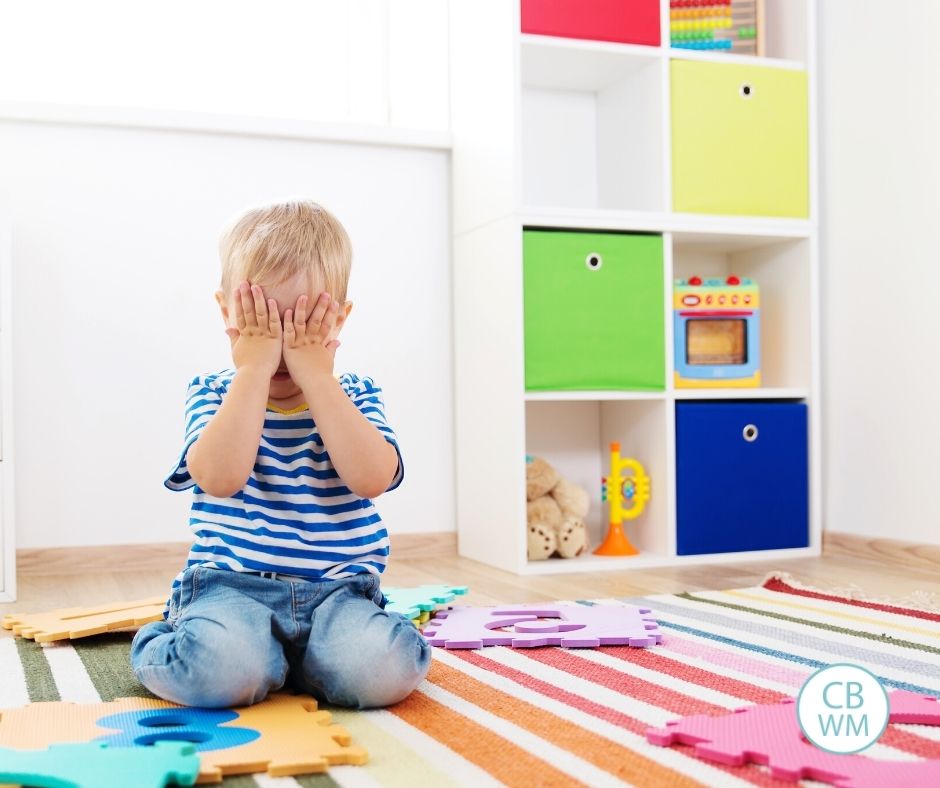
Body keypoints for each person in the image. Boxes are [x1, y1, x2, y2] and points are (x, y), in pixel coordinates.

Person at [131, 199, 430, 709]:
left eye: (304, 323)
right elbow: (220, 477)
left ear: (339, 318)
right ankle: (195, 643)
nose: (285, 344)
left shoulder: (355, 394)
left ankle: (302, 661)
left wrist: (317, 375)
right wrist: (251, 371)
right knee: (220, 670)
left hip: (339, 596)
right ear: (227, 312)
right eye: (263, 322)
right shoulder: (213, 391)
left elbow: (372, 477)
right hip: (231, 588)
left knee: (383, 671)